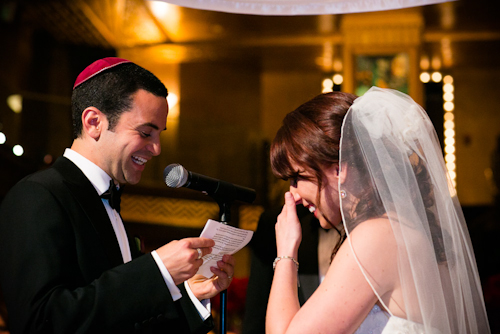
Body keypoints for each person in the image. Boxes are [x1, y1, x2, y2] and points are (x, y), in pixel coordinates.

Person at [0, 57, 234, 333]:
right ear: (94, 122)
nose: (157, 148)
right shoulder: (37, 195)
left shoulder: (109, 201)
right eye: (146, 132)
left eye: (159, 134)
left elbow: (124, 321)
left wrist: (194, 295)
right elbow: (39, 322)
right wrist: (157, 270)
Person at [265, 87, 491, 333]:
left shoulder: (374, 238)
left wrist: (286, 253)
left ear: (339, 169)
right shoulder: (404, 228)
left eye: (298, 177)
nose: (293, 195)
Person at [242, 204, 341, 334]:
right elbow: (256, 314)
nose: (294, 194)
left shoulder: (366, 231)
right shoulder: (278, 222)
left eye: (297, 182)